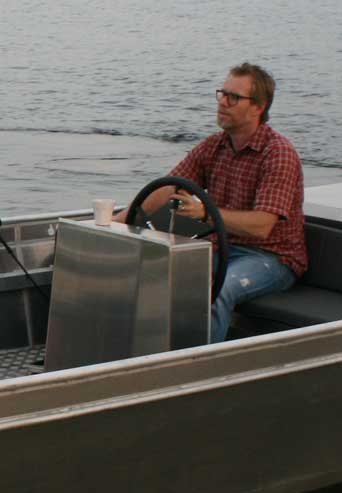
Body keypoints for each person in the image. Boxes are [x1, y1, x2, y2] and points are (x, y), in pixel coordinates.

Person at [116, 62, 306, 343]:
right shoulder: (214, 146)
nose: (223, 103)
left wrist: (207, 213)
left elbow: (263, 226)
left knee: (216, 289)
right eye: (222, 94)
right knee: (156, 274)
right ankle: (145, 354)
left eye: (234, 97)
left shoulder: (278, 153)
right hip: (222, 248)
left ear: (258, 107)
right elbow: (168, 186)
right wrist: (113, 222)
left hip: (272, 258)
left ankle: (199, 373)